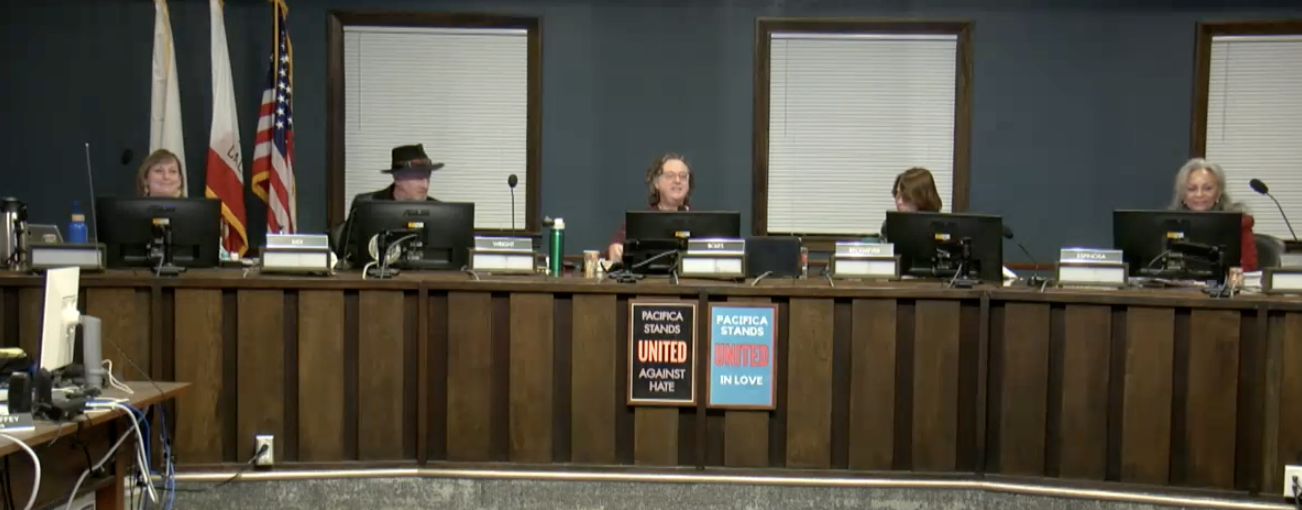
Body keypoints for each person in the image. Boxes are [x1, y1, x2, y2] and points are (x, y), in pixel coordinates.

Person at [1169, 158, 1258, 272]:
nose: (1199, 195)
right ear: (1183, 194)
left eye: (1207, 188)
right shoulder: (1170, 223)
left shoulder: (1240, 223)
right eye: (1192, 189)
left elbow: (1248, 268)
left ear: (1219, 192)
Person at [607, 153, 693, 262]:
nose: (677, 180)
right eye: (670, 175)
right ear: (656, 183)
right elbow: (615, 247)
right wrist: (614, 250)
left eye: (683, 176)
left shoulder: (700, 220)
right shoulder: (640, 221)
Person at [350, 144, 444, 204]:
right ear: (398, 177)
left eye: (428, 177)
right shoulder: (367, 204)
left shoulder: (438, 211)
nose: (425, 186)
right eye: (419, 178)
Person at [881, 167, 942, 241]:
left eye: (906, 197)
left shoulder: (940, 228)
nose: (899, 202)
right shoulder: (890, 226)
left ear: (922, 197)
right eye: (897, 194)